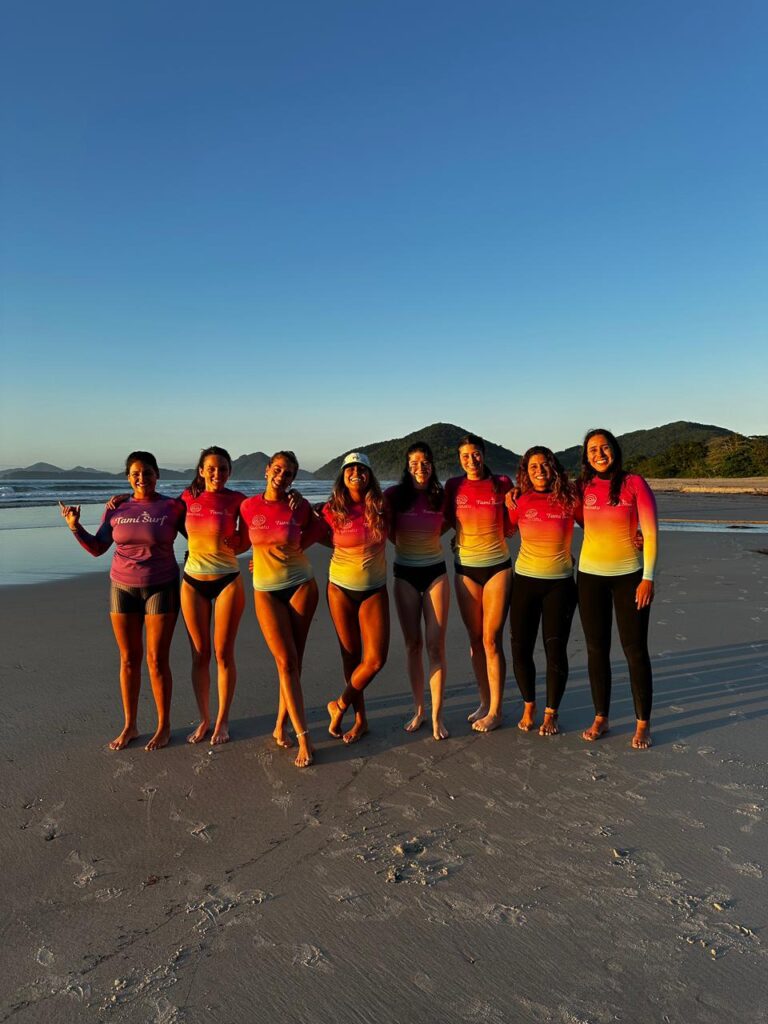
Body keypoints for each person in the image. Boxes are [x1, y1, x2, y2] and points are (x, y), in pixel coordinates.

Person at [59, 451, 185, 751]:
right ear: (128, 478)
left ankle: (164, 725)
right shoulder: (117, 508)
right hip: (122, 587)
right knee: (128, 660)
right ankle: (130, 725)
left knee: (156, 660)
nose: (142, 478)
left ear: (158, 474)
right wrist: (75, 526)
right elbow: (98, 548)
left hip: (161, 586)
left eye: (148, 472)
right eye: (136, 474)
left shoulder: (172, 507)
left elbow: (201, 536)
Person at [577, 428, 658, 749]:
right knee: (596, 650)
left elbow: (650, 534)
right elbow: (549, 503)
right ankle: (601, 716)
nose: (599, 453)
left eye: (605, 447)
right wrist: (513, 495)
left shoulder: (634, 483)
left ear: (615, 450)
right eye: (593, 449)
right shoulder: (582, 486)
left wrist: (648, 577)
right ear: (586, 456)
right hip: (589, 577)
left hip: (630, 577)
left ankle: (643, 723)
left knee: (634, 650)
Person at [240, 451, 318, 768]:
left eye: (288, 474)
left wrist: (298, 545)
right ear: (267, 470)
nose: (281, 476)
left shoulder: (298, 505)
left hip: (301, 585)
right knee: (285, 662)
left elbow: (318, 528)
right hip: (266, 591)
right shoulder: (247, 506)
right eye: (277, 470)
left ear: (293, 479)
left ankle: (280, 725)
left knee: (293, 664)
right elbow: (238, 537)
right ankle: (304, 737)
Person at [506, 447, 579, 736]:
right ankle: (529, 705)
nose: (539, 470)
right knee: (520, 648)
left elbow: (599, 523)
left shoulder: (570, 498)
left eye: (544, 464)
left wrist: (635, 536)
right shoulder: (520, 500)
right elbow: (502, 529)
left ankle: (551, 712)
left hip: (560, 585)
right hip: (524, 582)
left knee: (554, 648)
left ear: (554, 468)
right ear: (525, 471)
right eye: (533, 466)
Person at [317, 453, 389, 744]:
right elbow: (305, 534)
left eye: (361, 468)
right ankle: (361, 721)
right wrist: (261, 558)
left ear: (370, 474)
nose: (356, 472)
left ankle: (340, 704)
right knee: (350, 656)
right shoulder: (331, 510)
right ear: (342, 476)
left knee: (374, 660)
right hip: (339, 589)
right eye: (350, 468)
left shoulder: (383, 507)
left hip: (374, 589)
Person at [179, 446, 248, 746]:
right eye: (211, 468)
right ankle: (205, 718)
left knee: (222, 653)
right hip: (192, 582)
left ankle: (222, 720)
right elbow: (156, 510)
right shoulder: (186, 498)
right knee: (199, 655)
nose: (216, 473)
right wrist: (121, 502)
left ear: (229, 472)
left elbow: (247, 539)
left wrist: (236, 543)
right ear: (201, 470)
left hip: (227, 581)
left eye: (222, 468)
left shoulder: (238, 501)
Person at [444, 434, 513, 732]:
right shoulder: (453, 486)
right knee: (475, 640)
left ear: (484, 454)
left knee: (491, 639)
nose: (471, 460)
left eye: (475, 454)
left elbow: (513, 521)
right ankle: (484, 702)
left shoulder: (501, 483)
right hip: (465, 569)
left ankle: (496, 710)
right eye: (465, 456)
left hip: (497, 567)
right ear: (459, 459)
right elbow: (445, 519)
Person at [385, 442, 450, 740]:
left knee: (436, 646)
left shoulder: (441, 496)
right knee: (413, 644)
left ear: (432, 465)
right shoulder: (394, 496)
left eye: (425, 462)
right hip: (405, 574)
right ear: (407, 466)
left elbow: (451, 521)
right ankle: (419, 709)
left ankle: (436, 716)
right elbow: (368, 514)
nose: (420, 467)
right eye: (414, 462)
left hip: (436, 572)